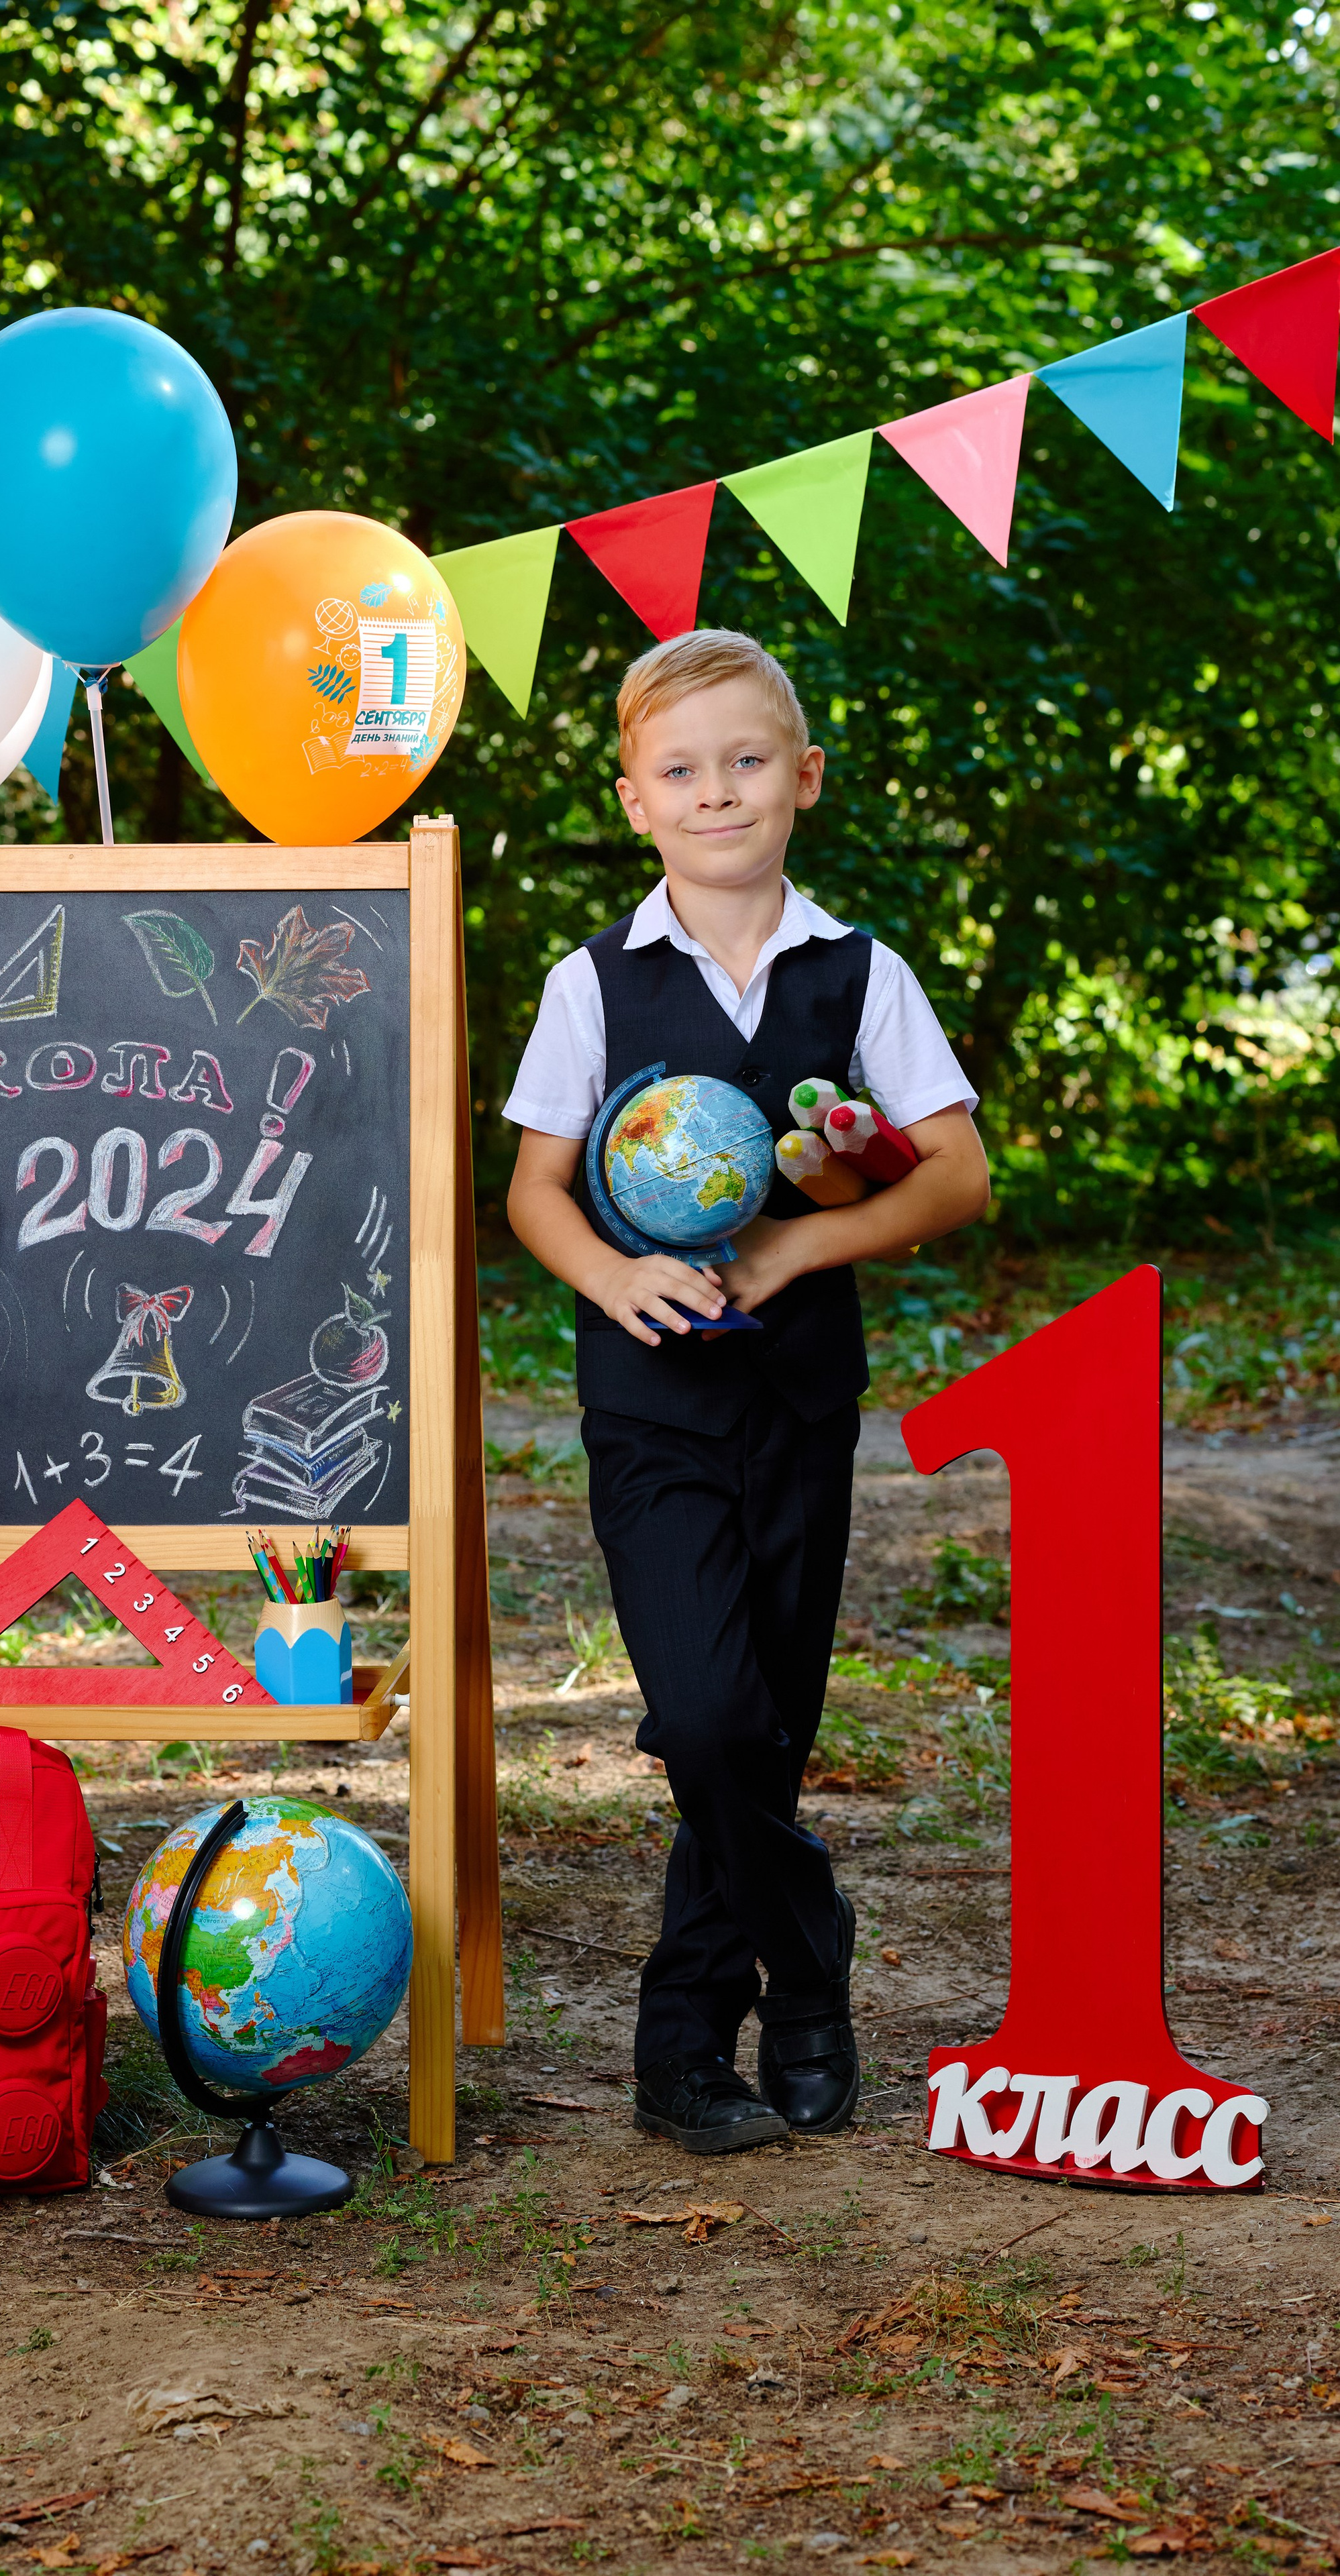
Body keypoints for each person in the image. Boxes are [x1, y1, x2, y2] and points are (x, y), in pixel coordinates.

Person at [503, 629, 990, 2154]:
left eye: (744, 761)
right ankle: (813, 1958)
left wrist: (796, 1246)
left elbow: (957, 1178)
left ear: (802, 780)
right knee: (704, 1715)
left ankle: (683, 2050)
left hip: (794, 1400)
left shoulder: (861, 975)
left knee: (763, 1727)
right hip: (646, 1402)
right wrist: (606, 1273)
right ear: (636, 801)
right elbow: (532, 1192)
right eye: (678, 770)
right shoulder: (591, 984)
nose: (715, 791)